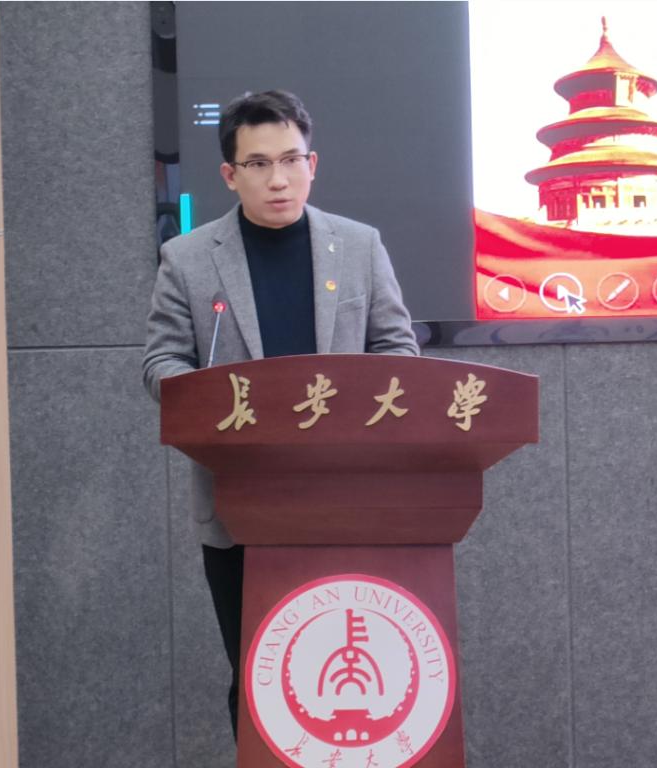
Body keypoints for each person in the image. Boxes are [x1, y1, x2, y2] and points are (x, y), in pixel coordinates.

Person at [142, 90, 419, 737]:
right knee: (260, 674)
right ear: (229, 174)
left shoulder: (359, 246)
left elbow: (397, 351)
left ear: (312, 164)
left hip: (349, 501)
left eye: (292, 160)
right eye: (259, 164)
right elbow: (160, 362)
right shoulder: (188, 259)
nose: (278, 179)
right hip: (239, 507)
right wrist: (212, 401)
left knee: (357, 662)